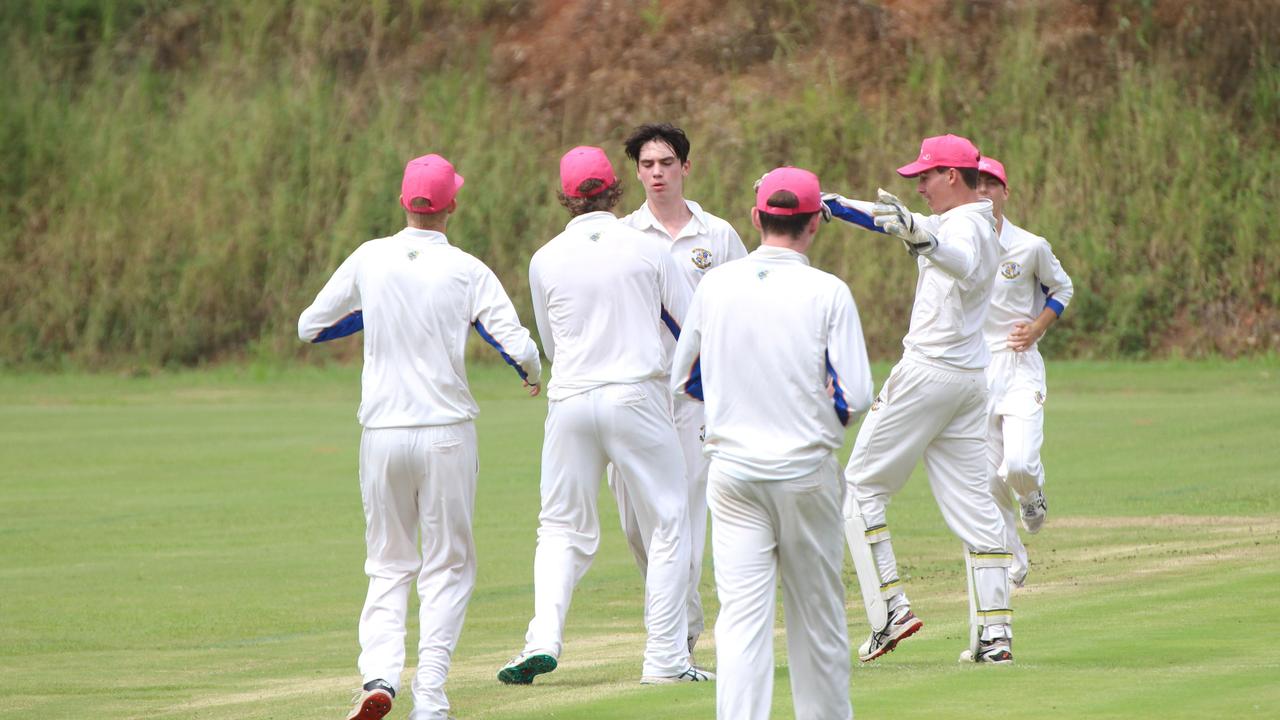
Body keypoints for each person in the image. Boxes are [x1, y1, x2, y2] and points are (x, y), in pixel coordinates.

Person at [298, 153, 542, 720]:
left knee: (388, 563)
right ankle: (429, 692)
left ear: (404, 202)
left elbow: (310, 326)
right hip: (446, 434)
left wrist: (376, 313)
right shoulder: (467, 268)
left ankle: (380, 675)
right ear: (452, 204)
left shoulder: (369, 257)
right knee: (448, 566)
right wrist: (530, 376)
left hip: (382, 432)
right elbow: (518, 345)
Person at [499, 146, 708, 686]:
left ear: (567, 198)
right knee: (668, 523)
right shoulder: (646, 248)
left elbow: (549, 343)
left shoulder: (544, 257)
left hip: (569, 400)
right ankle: (665, 660)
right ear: (617, 189)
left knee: (559, 529)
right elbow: (690, 327)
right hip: (636, 393)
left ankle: (542, 637)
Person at [672, 166, 873, 720]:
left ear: (757, 218)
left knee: (740, 620)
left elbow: (682, 377)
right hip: (805, 470)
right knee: (818, 617)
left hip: (733, 473)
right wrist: (818, 422)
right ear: (814, 225)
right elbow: (855, 395)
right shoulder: (828, 291)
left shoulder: (716, 285)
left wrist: (736, 401)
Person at [826, 134, 1014, 663]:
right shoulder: (965, 217)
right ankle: (995, 638)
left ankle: (890, 609)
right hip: (967, 382)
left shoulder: (968, 229)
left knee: (859, 489)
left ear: (952, 176)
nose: (921, 187)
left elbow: (960, 260)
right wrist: (833, 205)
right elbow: (894, 221)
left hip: (929, 374)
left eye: (926, 177)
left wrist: (923, 240)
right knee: (976, 509)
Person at [608, 122, 749, 661]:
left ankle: (677, 635)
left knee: (684, 513)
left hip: (695, 396)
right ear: (636, 172)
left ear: (686, 167)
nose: (657, 173)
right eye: (647, 165)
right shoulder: (622, 235)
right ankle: (681, 617)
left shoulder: (717, 235)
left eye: (667, 163)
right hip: (634, 393)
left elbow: (739, 312)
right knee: (636, 523)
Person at [974, 156, 1074, 587]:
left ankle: (1032, 494)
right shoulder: (959, 246)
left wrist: (1037, 327)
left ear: (1004, 192)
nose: (982, 192)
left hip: (1019, 365)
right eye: (975, 185)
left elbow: (1062, 287)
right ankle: (1014, 561)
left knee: (1016, 465)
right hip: (976, 368)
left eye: (990, 185)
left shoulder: (1031, 245)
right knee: (985, 477)